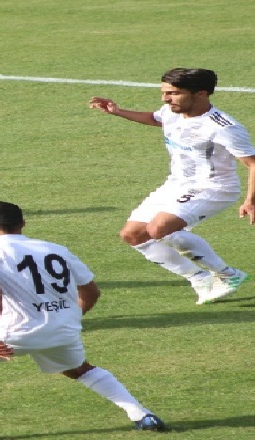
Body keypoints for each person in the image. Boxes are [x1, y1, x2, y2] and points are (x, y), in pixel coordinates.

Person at [0, 201, 165, 439]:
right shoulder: (56, 249)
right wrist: (69, 318)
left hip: (14, 333)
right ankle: (142, 414)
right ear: (23, 223)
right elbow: (91, 291)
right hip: (62, 331)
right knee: (79, 369)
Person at [89, 68, 255, 305]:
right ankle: (199, 279)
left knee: (159, 228)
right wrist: (118, 112)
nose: (165, 99)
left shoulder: (223, 126)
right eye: (164, 92)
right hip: (176, 184)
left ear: (201, 94)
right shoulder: (171, 111)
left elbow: (252, 163)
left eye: (173, 93)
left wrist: (250, 200)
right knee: (133, 235)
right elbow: (156, 118)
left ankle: (227, 275)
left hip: (214, 187)